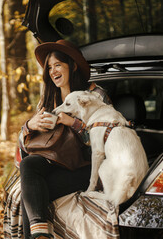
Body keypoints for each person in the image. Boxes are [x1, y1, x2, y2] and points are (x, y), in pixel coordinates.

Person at [19, 40, 110, 239]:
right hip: (59, 162)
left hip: (90, 166)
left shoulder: (95, 94)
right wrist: (30, 126)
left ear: (73, 65)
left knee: (33, 195)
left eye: (58, 65)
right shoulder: (49, 97)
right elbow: (25, 145)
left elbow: (107, 138)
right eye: (50, 67)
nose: (53, 71)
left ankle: (37, 235)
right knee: (28, 165)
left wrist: (73, 123)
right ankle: (40, 235)